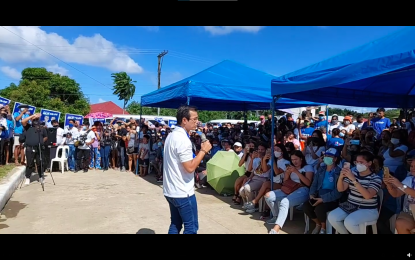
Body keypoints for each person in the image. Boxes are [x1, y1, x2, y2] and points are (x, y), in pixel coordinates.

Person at [163, 105, 212, 234]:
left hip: (171, 190)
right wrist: (203, 151)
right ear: (184, 120)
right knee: (191, 228)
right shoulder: (182, 139)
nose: (197, 122)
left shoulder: (172, 135)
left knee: (175, 224)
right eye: (194, 119)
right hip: (182, 192)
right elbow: (190, 167)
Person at [327, 151, 382, 234]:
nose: (358, 164)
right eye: (356, 162)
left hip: (368, 209)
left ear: (369, 163)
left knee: (349, 222)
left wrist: (354, 180)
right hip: (351, 205)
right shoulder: (353, 173)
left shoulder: (375, 178)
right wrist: (341, 178)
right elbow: (341, 189)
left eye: (361, 162)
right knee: (332, 217)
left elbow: (367, 196)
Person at [266, 150, 314, 234]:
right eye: (292, 159)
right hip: (290, 188)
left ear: (301, 159)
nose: (294, 161)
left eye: (296, 159)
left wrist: (296, 172)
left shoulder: (308, 167)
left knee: (285, 202)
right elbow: (285, 182)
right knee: (268, 196)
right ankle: (276, 216)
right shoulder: (290, 167)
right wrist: (287, 174)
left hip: (303, 189)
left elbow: (308, 183)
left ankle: (276, 229)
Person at [303, 148, 343, 234]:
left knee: (319, 209)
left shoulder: (340, 172)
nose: (326, 157)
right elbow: (314, 184)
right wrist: (312, 194)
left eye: (330, 156)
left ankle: (323, 228)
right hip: (319, 195)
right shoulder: (321, 169)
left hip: (332, 199)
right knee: (306, 206)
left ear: (335, 159)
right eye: (326, 156)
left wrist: (323, 199)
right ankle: (318, 224)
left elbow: (338, 192)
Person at [383, 159, 415, 234]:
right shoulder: (409, 179)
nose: (413, 168)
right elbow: (396, 194)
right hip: (410, 213)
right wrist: (389, 185)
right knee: (400, 223)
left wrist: (400, 185)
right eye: (412, 166)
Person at [21, 113, 48, 186]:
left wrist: (41, 141)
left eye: (36, 119)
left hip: (39, 148)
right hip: (30, 148)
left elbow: (46, 137)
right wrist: (32, 116)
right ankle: (28, 178)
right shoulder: (28, 127)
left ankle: (40, 176)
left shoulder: (42, 128)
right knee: (30, 163)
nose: (35, 121)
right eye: (33, 120)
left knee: (40, 163)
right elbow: (23, 121)